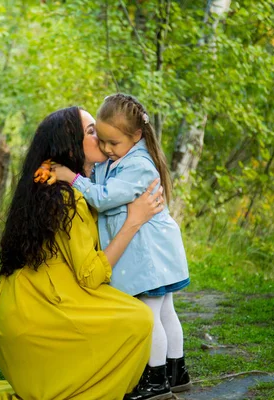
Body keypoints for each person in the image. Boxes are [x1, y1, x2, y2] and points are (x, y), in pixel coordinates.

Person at [0, 106, 165, 400]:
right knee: (139, 319)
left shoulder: (52, 184)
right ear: (70, 144)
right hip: (38, 316)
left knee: (124, 308)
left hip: (23, 311)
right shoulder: (66, 197)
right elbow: (90, 276)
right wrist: (134, 221)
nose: (102, 137)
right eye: (91, 131)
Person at [52, 94, 191, 400]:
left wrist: (71, 178)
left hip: (149, 253)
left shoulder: (138, 165)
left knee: (150, 314)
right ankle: (176, 370)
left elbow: (103, 197)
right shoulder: (121, 157)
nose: (105, 149)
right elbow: (101, 175)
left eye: (112, 143)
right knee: (165, 310)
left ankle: (156, 381)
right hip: (155, 250)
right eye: (100, 140)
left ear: (136, 136)